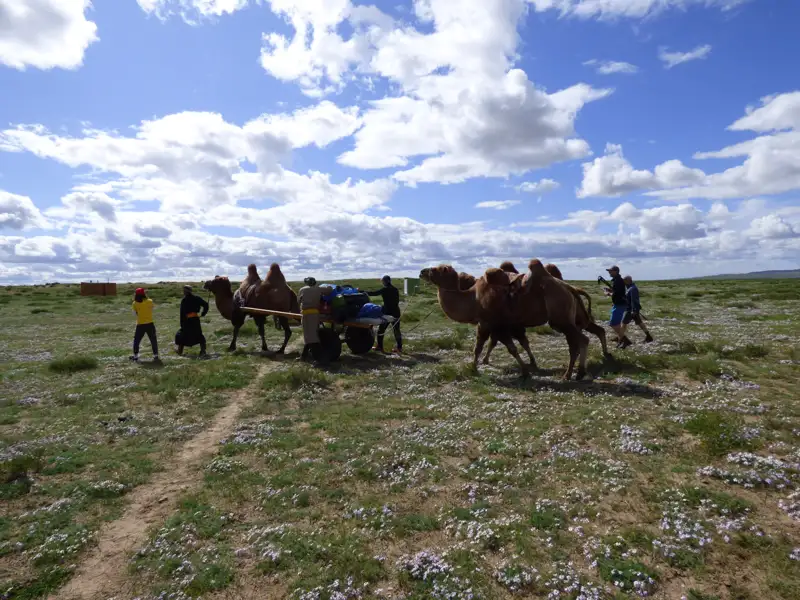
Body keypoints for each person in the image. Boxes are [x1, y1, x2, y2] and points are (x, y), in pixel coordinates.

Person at [298, 277, 333, 364]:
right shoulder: (318, 289)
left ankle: (320, 359)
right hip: (315, 314)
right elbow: (330, 290)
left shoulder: (302, 289)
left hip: (307, 315)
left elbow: (298, 301)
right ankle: (304, 356)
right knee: (310, 335)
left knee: (311, 337)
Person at [364, 275, 402, 354]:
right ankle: (399, 348)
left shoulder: (385, 290)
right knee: (396, 330)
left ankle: (380, 347)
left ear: (386, 281)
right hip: (396, 312)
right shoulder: (395, 289)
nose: (382, 283)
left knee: (381, 330)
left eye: (383, 281)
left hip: (387, 313)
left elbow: (373, 293)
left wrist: (362, 292)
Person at [618, 275, 654, 348]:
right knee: (640, 323)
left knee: (623, 324)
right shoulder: (629, 288)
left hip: (630, 310)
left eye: (624, 280)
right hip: (632, 310)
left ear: (628, 280)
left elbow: (634, 301)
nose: (623, 282)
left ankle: (621, 340)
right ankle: (648, 336)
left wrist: (634, 310)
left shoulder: (633, 289)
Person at [176, 285, 210, 357]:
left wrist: (203, 313)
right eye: (184, 290)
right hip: (194, 320)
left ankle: (180, 351)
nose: (184, 292)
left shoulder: (184, 300)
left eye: (185, 290)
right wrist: (203, 313)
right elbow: (206, 305)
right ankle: (202, 351)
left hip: (188, 321)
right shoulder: (196, 298)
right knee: (197, 334)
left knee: (183, 335)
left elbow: (182, 313)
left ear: (188, 291)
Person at [131, 287, 159, 362]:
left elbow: (134, 314)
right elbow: (151, 310)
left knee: (137, 340)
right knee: (153, 340)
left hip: (140, 324)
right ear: (144, 294)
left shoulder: (135, 303)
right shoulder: (150, 301)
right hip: (150, 324)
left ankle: (136, 356)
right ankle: (155, 355)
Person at [603, 265, 628, 346]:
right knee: (617, 324)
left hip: (620, 304)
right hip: (618, 304)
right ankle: (620, 339)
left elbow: (617, 294)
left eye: (611, 271)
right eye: (609, 271)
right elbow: (616, 290)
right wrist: (610, 290)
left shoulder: (618, 281)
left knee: (613, 323)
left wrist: (608, 293)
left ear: (616, 271)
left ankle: (625, 340)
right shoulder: (616, 280)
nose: (609, 272)